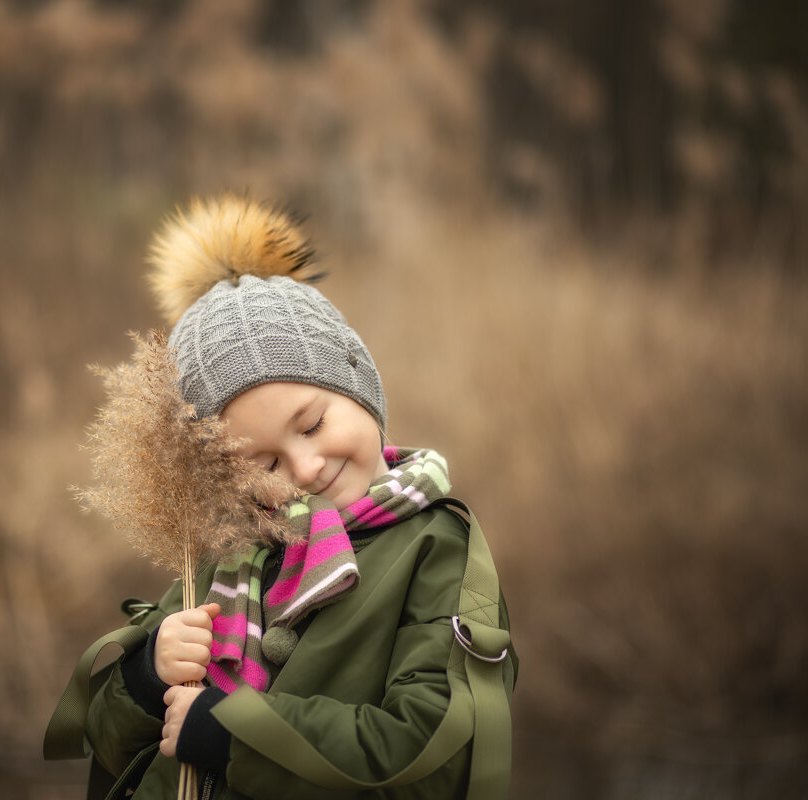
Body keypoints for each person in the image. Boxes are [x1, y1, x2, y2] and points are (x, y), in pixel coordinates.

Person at [48, 195, 517, 799]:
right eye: (265, 463)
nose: (306, 468)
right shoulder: (229, 557)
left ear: (358, 383)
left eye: (313, 424)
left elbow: (432, 757)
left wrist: (234, 735)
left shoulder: (436, 553)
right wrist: (146, 678)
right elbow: (113, 749)